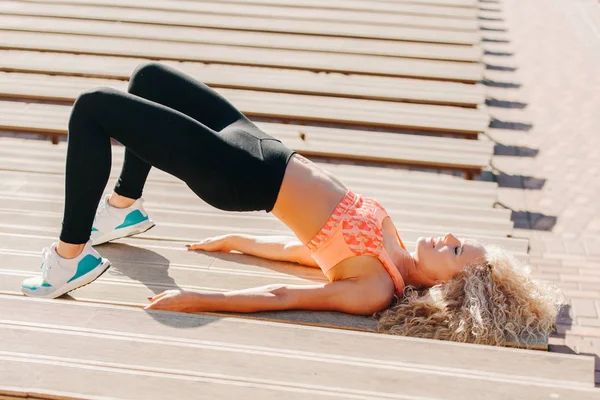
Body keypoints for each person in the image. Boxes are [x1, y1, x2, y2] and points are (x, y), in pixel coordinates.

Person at [21, 63, 559, 345]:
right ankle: (123, 207)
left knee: (93, 109)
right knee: (149, 80)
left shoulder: (375, 289)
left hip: (239, 175)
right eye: (456, 236)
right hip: (259, 143)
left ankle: (70, 260)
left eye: (455, 248)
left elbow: (280, 295)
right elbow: (305, 251)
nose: (446, 235)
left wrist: (198, 298)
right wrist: (239, 244)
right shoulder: (392, 249)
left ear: (448, 286)